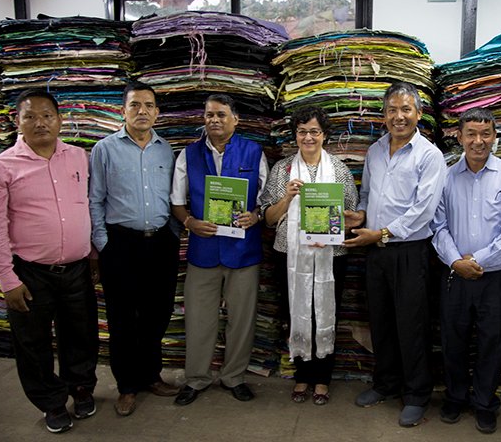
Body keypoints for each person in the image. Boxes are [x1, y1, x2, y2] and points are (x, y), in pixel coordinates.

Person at [0, 89, 99, 433]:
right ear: (17, 121)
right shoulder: (1, 167)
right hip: (30, 272)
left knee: (81, 334)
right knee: (33, 343)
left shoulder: (78, 157)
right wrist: (7, 280)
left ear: (60, 120)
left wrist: (92, 253)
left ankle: (81, 388)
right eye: (30, 116)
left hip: (77, 268)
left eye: (47, 115)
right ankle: (51, 402)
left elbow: (86, 206)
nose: (40, 123)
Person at [343, 82, 445, 427]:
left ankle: (416, 394)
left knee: (412, 324)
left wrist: (382, 232)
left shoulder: (429, 155)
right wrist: (359, 215)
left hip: (410, 251)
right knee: (381, 319)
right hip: (375, 251)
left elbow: (424, 210)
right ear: (384, 115)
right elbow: (367, 194)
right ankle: (385, 383)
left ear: (418, 113)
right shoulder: (375, 150)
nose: (398, 116)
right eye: (392, 110)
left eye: (405, 109)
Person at [89, 81, 181, 417]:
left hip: (160, 243)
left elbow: (173, 197)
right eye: (135, 105)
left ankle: (151, 376)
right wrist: (104, 244)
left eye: (148, 105)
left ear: (157, 112)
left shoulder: (165, 149)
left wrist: (172, 235)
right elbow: (95, 199)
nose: (142, 111)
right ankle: (127, 386)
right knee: (122, 318)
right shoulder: (105, 149)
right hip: (121, 244)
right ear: (123, 111)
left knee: (158, 314)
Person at [431, 108, 501, 434]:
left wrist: (478, 259)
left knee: (492, 341)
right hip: (454, 273)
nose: (478, 140)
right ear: (459, 137)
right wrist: (456, 261)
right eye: (471, 133)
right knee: (453, 338)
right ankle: (456, 397)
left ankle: (485, 403)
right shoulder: (446, 177)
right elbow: (437, 225)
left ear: (495, 137)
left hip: (496, 275)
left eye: (485, 134)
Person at [171, 94, 268, 405]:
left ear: (235, 119)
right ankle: (196, 379)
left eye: (221, 114)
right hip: (203, 250)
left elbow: (265, 200)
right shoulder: (189, 154)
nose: (214, 120)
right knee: (199, 318)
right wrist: (189, 222)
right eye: (209, 114)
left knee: (242, 319)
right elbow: (176, 201)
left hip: (243, 251)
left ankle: (233, 377)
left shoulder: (254, 152)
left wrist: (256, 216)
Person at [260, 106, 358, 406]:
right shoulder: (283, 170)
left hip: (331, 253)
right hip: (289, 253)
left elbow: (352, 217)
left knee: (327, 312)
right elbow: (268, 218)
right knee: (295, 311)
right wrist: (287, 197)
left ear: (324, 135)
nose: (308, 137)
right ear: (295, 135)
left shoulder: (339, 170)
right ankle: (302, 375)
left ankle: (322, 379)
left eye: (314, 131)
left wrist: (328, 232)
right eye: (302, 131)